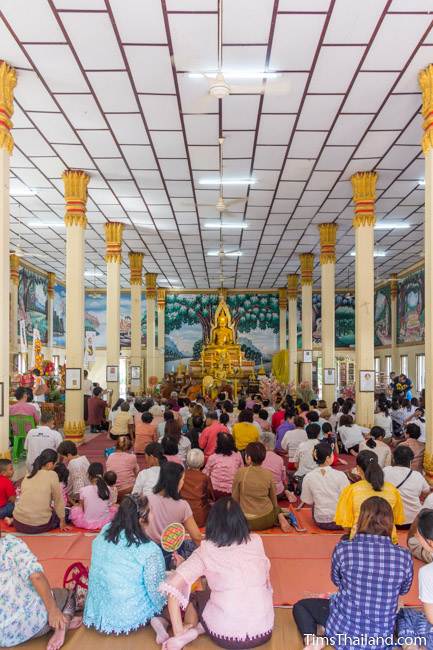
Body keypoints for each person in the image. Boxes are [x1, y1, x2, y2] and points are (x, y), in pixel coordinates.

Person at [293, 497, 413, 650]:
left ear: (361, 519)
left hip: (342, 632)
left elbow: (336, 580)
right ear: (390, 522)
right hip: (379, 638)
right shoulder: (404, 555)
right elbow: (404, 589)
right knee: (401, 614)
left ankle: (312, 640)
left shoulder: (344, 548)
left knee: (302, 606)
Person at [160, 497, 274, 650]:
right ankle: (195, 632)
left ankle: (186, 635)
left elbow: (172, 589)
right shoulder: (256, 541)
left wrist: (178, 631)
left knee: (198, 597)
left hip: (225, 635)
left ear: (212, 523)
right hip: (263, 630)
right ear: (241, 521)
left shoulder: (206, 549)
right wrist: (185, 565)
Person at [83, 495, 167, 637]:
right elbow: (156, 592)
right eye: (150, 511)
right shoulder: (149, 550)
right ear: (141, 520)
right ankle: (160, 621)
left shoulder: (106, 530)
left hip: (95, 609)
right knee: (173, 589)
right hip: (126, 613)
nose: (153, 514)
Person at [1, 533, 81, 649]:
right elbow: (36, 577)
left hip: (4, 638)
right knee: (68, 594)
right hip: (33, 625)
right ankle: (62, 624)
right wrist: (53, 610)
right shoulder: (10, 544)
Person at [335, 449, 405, 543]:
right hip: (389, 540)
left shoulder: (352, 490)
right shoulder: (392, 489)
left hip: (358, 540)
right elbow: (396, 520)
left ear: (358, 469)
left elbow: (346, 526)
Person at [146, 462, 202, 568]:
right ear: (176, 482)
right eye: (182, 479)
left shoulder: (147, 499)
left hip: (148, 553)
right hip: (170, 556)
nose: (183, 482)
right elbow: (197, 536)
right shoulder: (182, 506)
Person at [232, 442, 290, 532]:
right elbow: (274, 500)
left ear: (248, 458)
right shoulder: (268, 474)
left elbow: (235, 499)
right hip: (266, 519)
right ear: (263, 458)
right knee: (277, 508)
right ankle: (280, 516)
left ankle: (280, 514)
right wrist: (277, 511)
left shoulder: (240, 473)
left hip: (245, 521)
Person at [13, 449, 67, 534]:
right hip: (38, 526)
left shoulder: (28, 476)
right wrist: (63, 522)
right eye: (55, 464)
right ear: (49, 464)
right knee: (67, 514)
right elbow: (58, 501)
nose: (55, 466)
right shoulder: (52, 475)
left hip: (18, 523)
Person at [299, 442, 349, 530]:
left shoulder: (309, 476)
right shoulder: (340, 475)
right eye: (332, 454)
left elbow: (308, 500)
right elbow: (347, 498)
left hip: (321, 521)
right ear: (328, 458)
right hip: (341, 521)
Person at [384, 445, 430, 526]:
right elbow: (426, 492)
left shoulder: (385, 471)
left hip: (390, 520)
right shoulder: (417, 475)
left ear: (394, 459)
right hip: (413, 521)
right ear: (411, 461)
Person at [70, 462, 118, 530]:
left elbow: (82, 508)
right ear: (102, 474)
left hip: (87, 522)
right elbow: (109, 505)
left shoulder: (83, 490)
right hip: (105, 522)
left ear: (89, 476)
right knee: (115, 507)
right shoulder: (108, 489)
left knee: (76, 508)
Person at [203, 432, 243, 500]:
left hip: (214, 492)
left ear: (218, 444)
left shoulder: (213, 457)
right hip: (232, 492)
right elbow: (241, 472)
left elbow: (205, 474)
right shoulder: (238, 455)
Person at [180, 449, 214, 528]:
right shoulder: (204, 478)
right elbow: (211, 496)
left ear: (187, 462)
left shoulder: (181, 475)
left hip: (182, 516)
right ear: (202, 463)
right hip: (200, 517)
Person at [106, 436, 139, 500]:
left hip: (113, 491)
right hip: (128, 489)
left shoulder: (110, 456)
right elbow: (136, 471)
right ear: (129, 446)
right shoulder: (132, 457)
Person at [261, 431, 289, 500]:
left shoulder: (258, 457)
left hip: (262, 493)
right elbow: (283, 478)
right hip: (278, 493)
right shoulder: (279, 458)